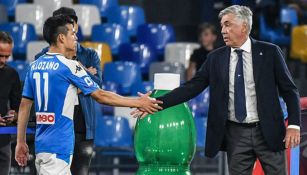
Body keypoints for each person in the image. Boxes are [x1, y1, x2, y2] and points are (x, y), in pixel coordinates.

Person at [133, 5, 301, 175]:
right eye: (222, 25)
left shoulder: (270, 52)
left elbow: (289, 91)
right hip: (236, 134)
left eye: (227, 24)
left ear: (244, 26)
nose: (223, 30)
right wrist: (155, 104)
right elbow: (192, 87)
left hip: (268, 131)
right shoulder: (215, 58)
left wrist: (294, 125)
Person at [15, 16, 162, 175]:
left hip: (42, 145)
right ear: (61, 38)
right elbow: (100, 95)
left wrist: (21, 141)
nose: (76, 37)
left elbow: (24, 105)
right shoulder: (69, 66)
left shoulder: (34, 66)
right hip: (59, 147)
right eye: (72, 33)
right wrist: (138, 102)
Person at [35, 7, 102, 175]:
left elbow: (97, 86)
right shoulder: (41, 58)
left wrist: (72, 81)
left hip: (82, 125)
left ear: (75, 26)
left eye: (70, 24)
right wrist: (85, 74)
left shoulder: (90, 54)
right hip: (54, 129)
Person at [0, 31, 21, 175]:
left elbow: (18, 108)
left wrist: (13, 115)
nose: (3, 60)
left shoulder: (12, 74)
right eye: (0, 55)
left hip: (3, 138)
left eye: (7, 56)